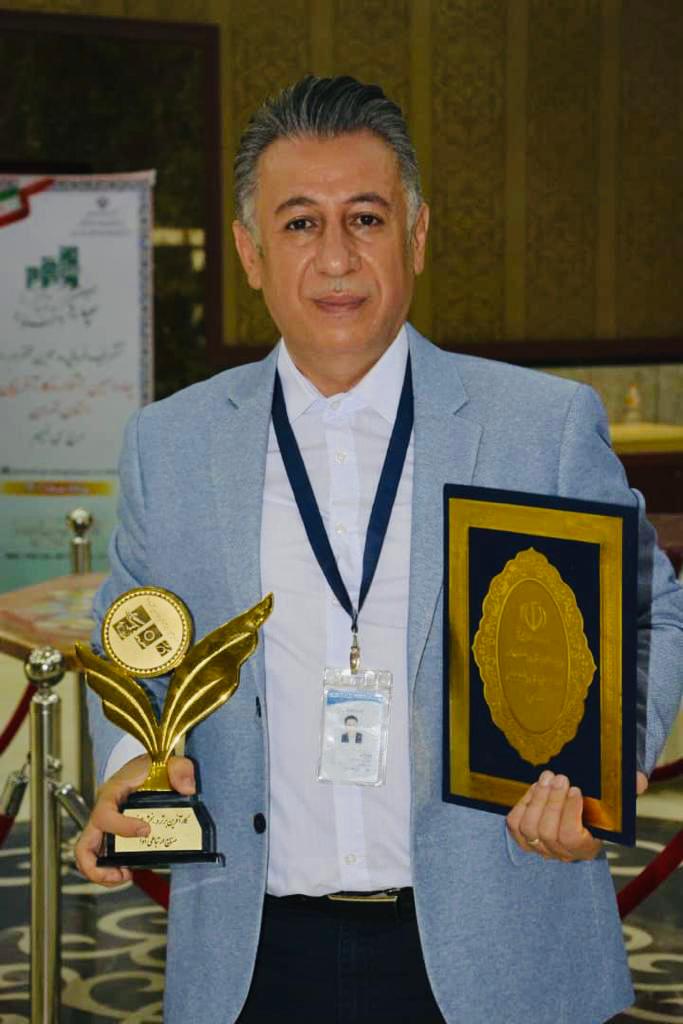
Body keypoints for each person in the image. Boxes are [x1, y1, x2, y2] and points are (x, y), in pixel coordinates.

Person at [77, 75, 683, 1023]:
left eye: (365, 218)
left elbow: (648, 610)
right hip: (254, 953)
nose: (336, 259)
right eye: (299, 224)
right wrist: (128, 762)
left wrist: (602, 778)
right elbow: (132, 643)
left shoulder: (539, 425)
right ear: (249, 252)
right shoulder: (171, 443)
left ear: (417, 236)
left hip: (498, 939)